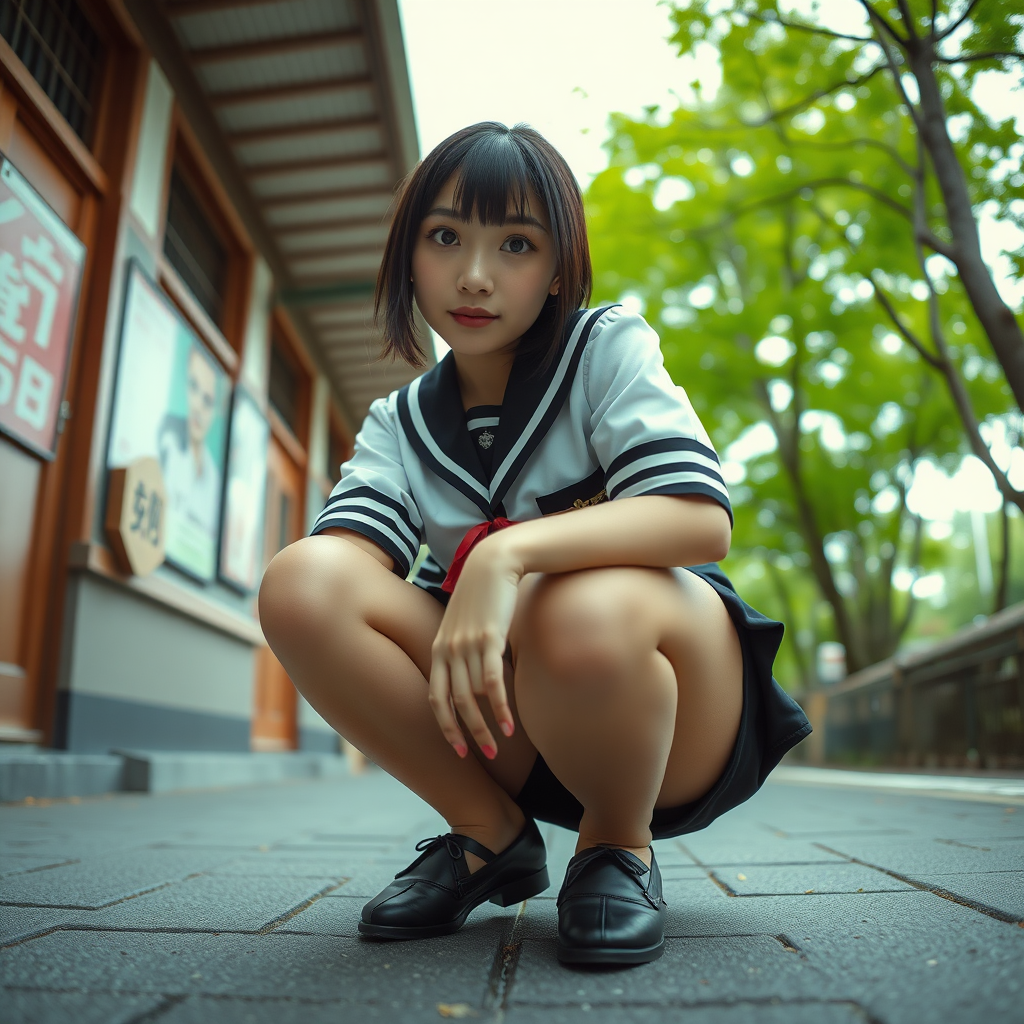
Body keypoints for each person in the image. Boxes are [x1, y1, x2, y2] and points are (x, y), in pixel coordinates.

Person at [259, 123, 810, 967]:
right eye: (445, 237)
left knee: (570, 599)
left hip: (677, 711)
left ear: (557, 269)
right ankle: (488, 836)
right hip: (523, 728)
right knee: (302, 581)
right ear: (409, 255)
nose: (474, 276)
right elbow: (343, 580)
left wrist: (505, 555)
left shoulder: (605, 348)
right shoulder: (399, 424)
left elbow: (700, 517)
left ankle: (618, 847)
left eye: (516, 244)